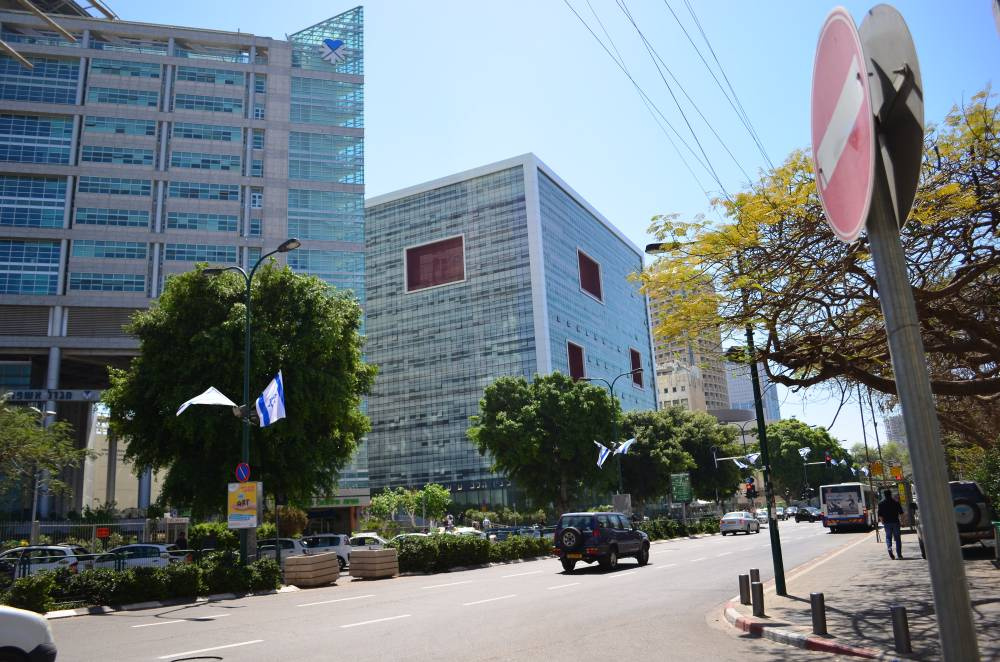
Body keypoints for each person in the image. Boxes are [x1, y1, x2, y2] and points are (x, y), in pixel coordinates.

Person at [877, 489, 904, 559]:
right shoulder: (896, 502)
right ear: (891, 494)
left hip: (887, 523)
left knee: (888, 537)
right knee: (897, 538)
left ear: (884, 495)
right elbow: (901, 513)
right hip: (895, 522)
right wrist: (902, 522)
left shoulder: (881, 504)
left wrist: (882, 521)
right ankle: (899, 555)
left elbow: (880, 515)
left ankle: (889, 547)